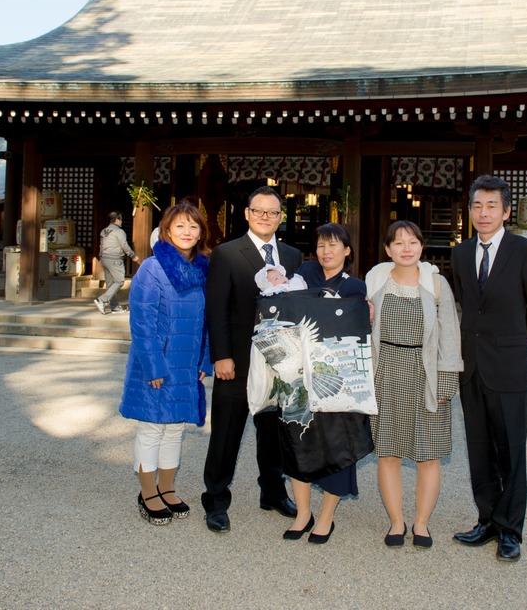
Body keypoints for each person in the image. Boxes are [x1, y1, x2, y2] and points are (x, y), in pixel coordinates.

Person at [449, 174, 527, 563]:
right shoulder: (461, 253)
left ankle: (510, 530)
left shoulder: (525, 251)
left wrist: (513, 345)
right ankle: (487, 519)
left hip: (508, 365)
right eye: (477, 205)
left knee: (511, 449)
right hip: (472, 365)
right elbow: (467, 304)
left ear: (506, 212)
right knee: (479, 448)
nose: (484, 213)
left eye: (492, 205)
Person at [202, 186, 302, 533]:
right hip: (238, 360)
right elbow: (216, 309)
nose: (265, 217)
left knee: (274, 432)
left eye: (272, 212)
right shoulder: (227, 253)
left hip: (279, 363)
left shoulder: (292, 255)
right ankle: (216, 498)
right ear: (246, 214)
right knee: (226, 431)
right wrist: (221, 356)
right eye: (258, 211)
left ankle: (272, 492)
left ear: (280, 217)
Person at [365, 220, 461, 549]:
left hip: (427, 372)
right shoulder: (376, 280)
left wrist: (447, 381)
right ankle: (396, 521)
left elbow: (450, 335)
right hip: (386, 371)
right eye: (398, 242)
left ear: (422, 246)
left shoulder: (436, 284)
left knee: (428, 453)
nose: (406, 248)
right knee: (388, 451)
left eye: (413, 242)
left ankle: (421, 522)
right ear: (388, 249)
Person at [275, 223, 373, 544]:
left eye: (333, 245)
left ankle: (327, 517)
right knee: (297, 437)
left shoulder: (355, 287)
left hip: (335, 376)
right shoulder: (304, 275)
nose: (326, 251)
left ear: (347, 250)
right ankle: (303, 512)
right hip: (297, 372)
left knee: (337, 442)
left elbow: (350, 326)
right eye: (320, 245)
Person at [119, 202, 212, 526]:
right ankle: (147, 492)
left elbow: (207, 321)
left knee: (174, 429)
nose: (187, 232)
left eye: (193, 226)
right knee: (152, 428)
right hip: (158, 364)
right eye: (180, 226)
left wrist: (205, 359)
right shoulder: (152, 268)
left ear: (200, 233)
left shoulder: (203, 269)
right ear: (167, 231)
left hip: (187, 364)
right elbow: (142, 323)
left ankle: (167, 488)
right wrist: (153, 367)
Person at [95, 211, 140, 314]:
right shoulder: (119, 232)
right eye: (121, 219)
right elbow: (124, 245)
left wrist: (101, 258)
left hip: (105, 259)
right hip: (115, 259)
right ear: (117, 220)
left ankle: (114, 306)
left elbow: (101, 246)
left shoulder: (104, 231)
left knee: (110, 284)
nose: (121, 222)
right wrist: (133, 255)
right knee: (119, 281)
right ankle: (101, 300)